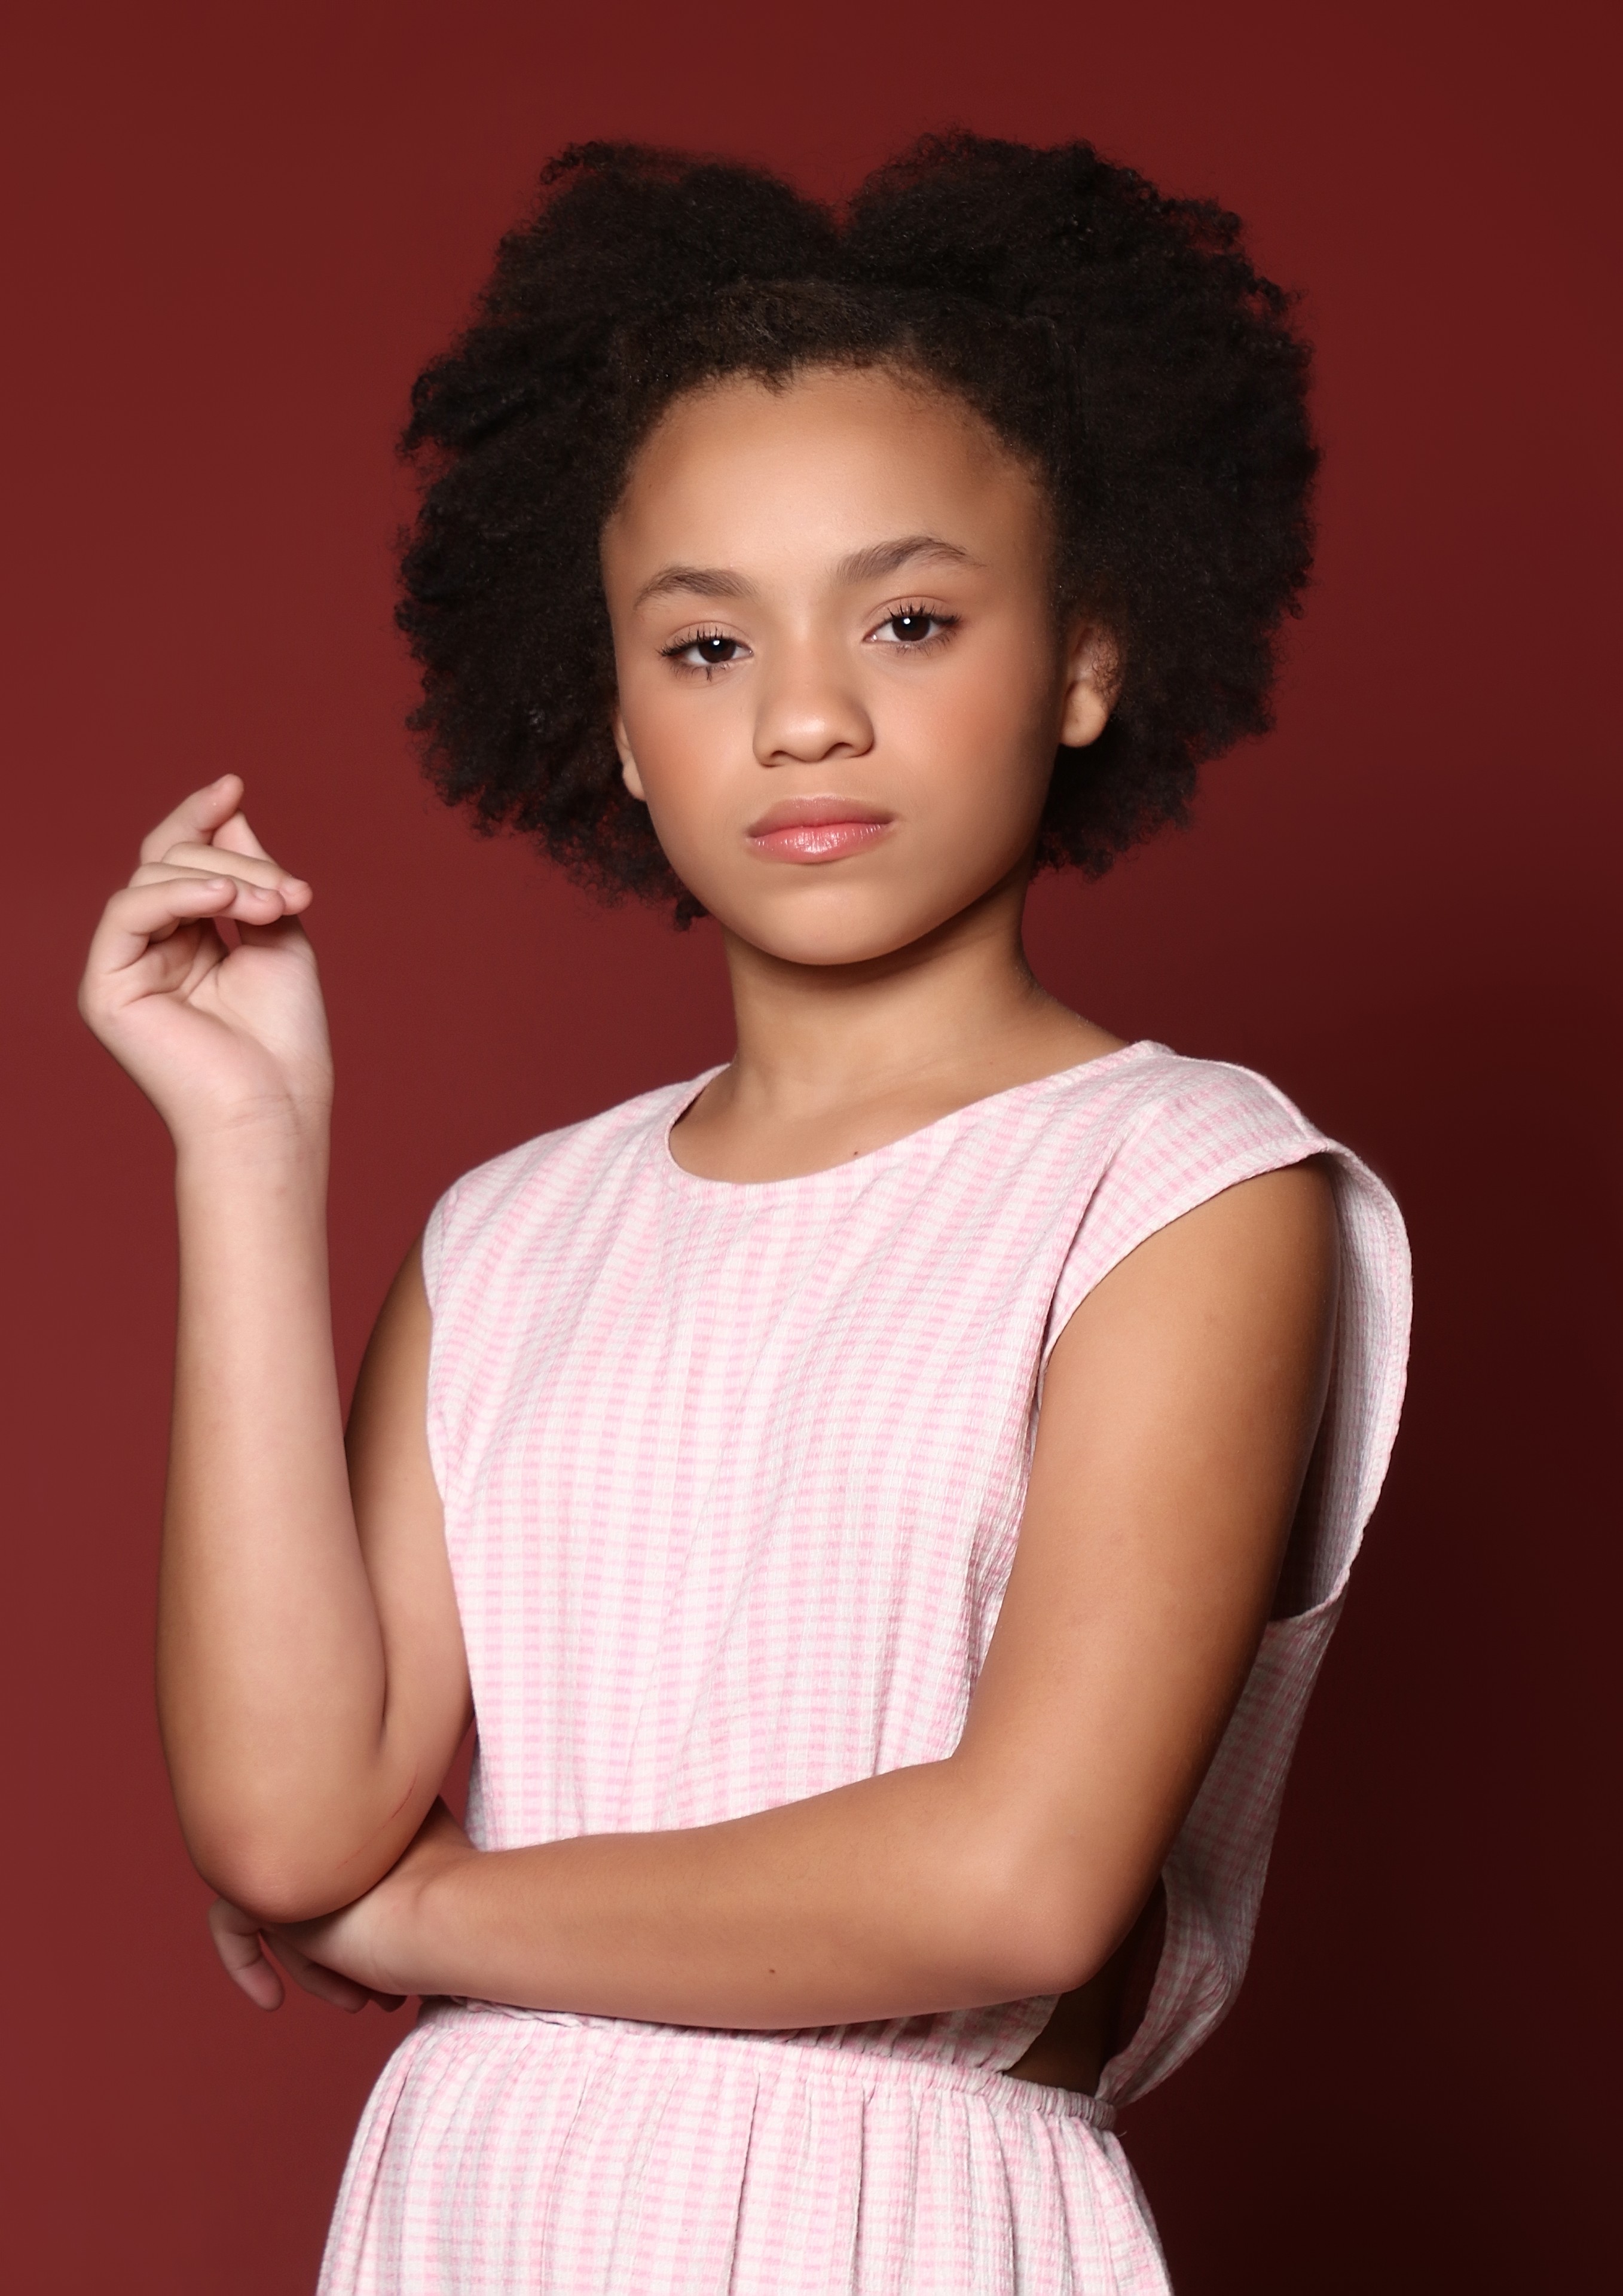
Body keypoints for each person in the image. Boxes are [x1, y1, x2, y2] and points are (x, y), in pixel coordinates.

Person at [79, 135, 1410, 2295]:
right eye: (703, 644)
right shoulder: (508, 1235)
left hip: (895, 2222)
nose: (803, 715)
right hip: (478, 2216)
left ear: (1083, 658)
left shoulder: (1177, 1190)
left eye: (909, 620)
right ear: (613, 721)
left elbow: (1014, 1884)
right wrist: (247, 1147)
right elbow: (284, 1819)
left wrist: (422, 1916)